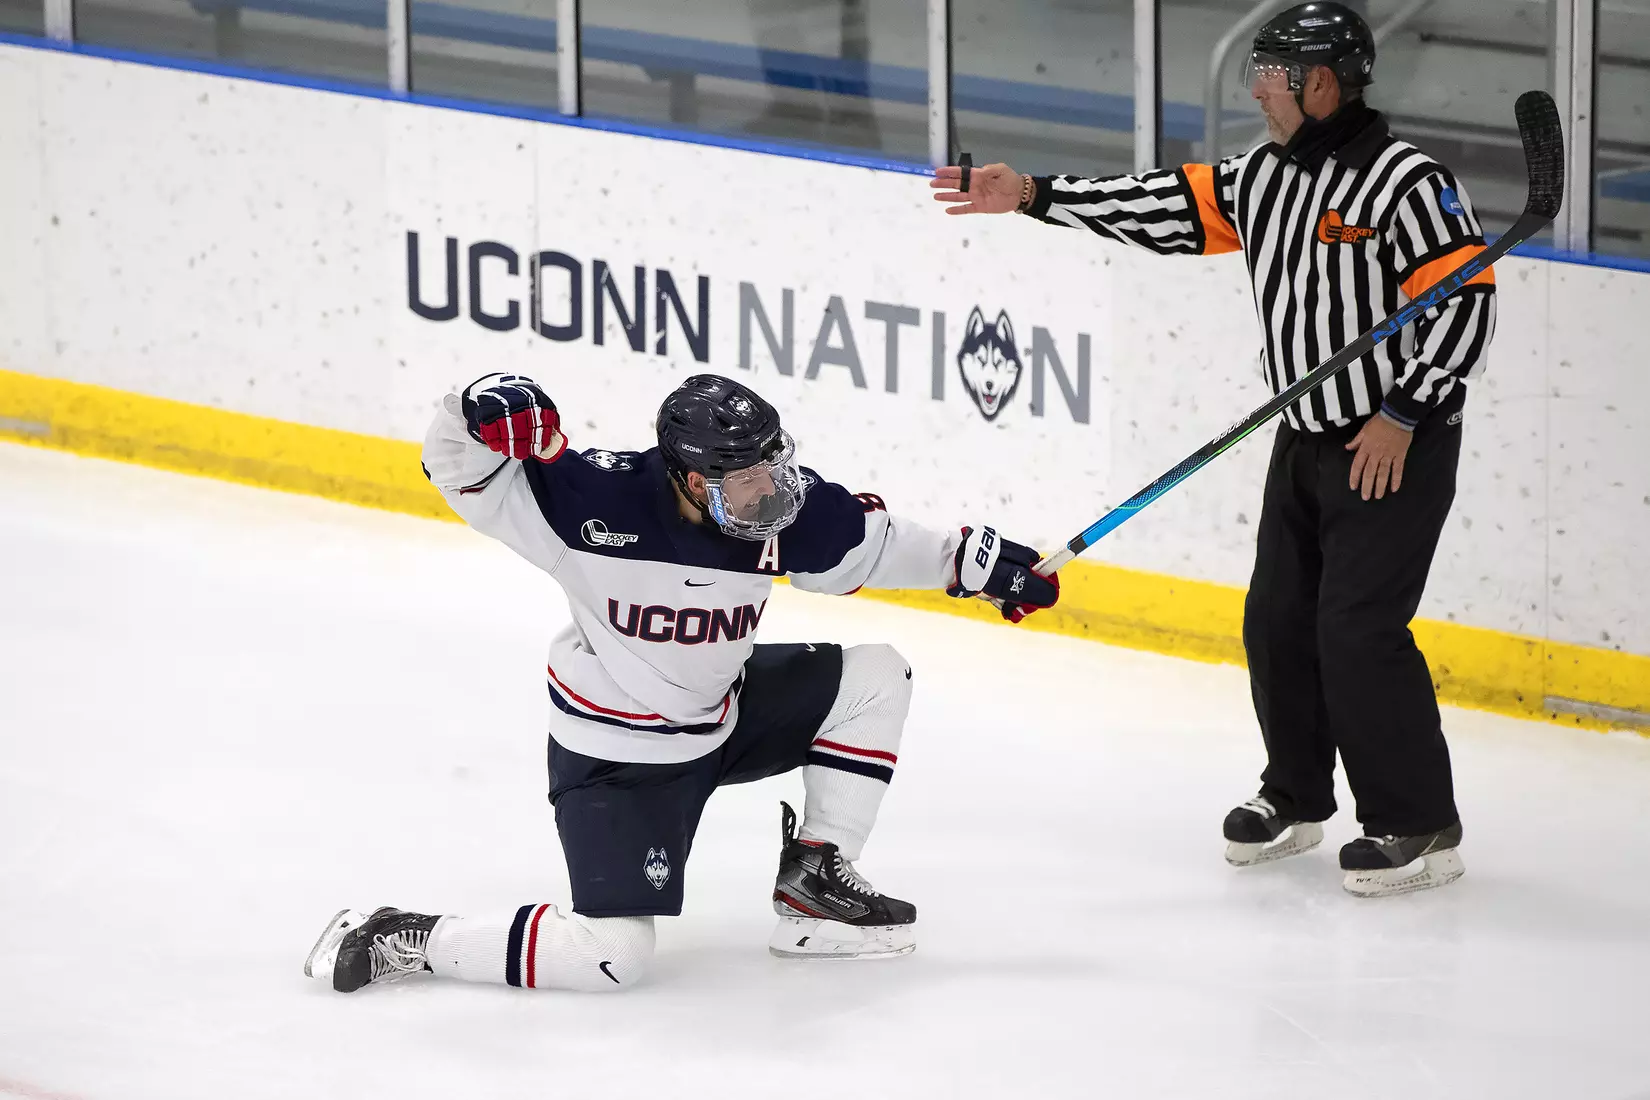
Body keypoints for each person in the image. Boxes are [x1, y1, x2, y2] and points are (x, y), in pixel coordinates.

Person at [931, 2, 1495, 898]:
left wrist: (1403, 412)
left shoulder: (1406, 182)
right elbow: (1164, 206)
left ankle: (1418, 821)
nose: (1258, 92)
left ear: (1321, 83)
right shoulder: (1265, 174)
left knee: (1357, 632)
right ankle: (1297, 796)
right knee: (1276, 621)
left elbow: (1466, 303)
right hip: (1304, 435)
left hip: (1392, 443)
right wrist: (1034, 194)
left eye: (1271, 76)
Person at [304, 372, 1060, 992]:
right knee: (610, 958)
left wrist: (978, 565)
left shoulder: (778, 512)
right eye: (749, 478)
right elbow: (459, 470)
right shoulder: (588, 503)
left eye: (773, 466)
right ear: (693, 479)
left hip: (722, 718)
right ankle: (404, 936)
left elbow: (878, 545)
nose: (772, 492)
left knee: (876, 676)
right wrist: (475, 407)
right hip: (617, 759)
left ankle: (814, 883)